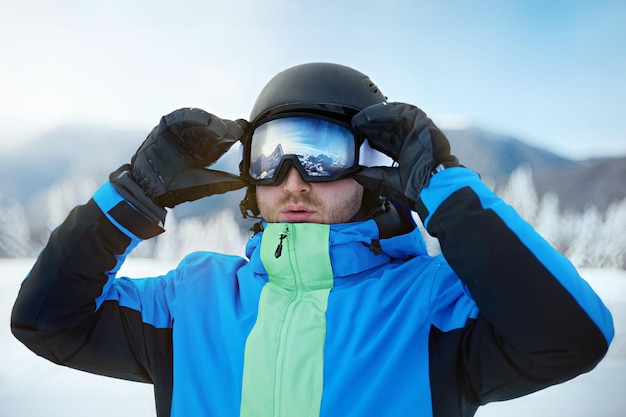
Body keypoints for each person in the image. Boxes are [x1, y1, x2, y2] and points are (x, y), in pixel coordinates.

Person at [11, 62, 614, 417]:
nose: (294, 180)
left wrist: (444, 190)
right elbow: (47, 321)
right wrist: (134, 195)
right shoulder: (191, 301)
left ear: (374, 166)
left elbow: (570, 337)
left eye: (322, 153)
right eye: (272, 155)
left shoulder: (436, 306)